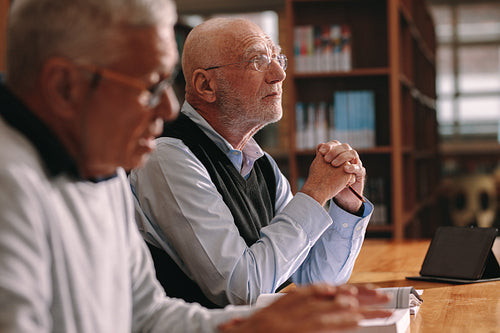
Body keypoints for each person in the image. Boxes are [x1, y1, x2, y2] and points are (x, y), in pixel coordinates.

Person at [0, 0, 391, 332]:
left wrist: (253, 324)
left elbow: (147, 314)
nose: (170, 108)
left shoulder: (105, 170)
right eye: (151, 86)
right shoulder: (10, 187)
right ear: (64, 87)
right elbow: (241, 289)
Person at [130, 17, 373, 309]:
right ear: (206, 85)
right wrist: (316, 193)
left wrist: (346, 205)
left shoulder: (262, 164)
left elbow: (317, 279)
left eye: (277, 57)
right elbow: (241, 289)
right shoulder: (167, 157)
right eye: (258, 60)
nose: (279, 73)